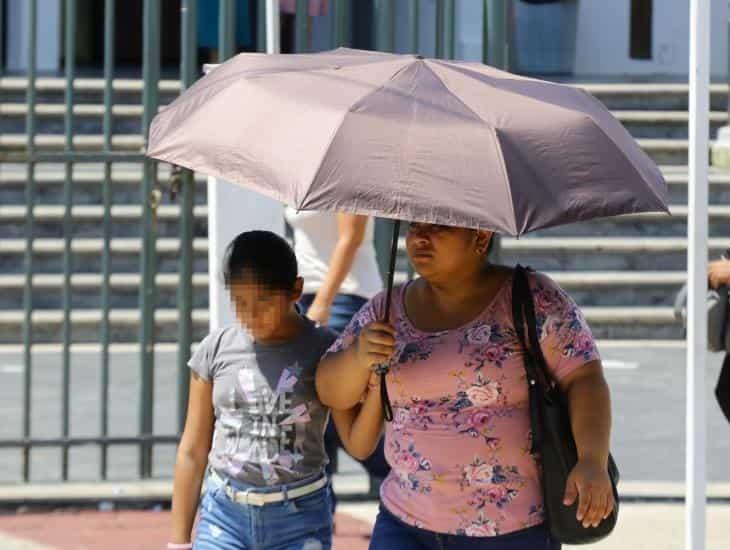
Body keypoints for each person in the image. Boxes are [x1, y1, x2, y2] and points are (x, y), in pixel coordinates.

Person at [316, 222, 615, 550]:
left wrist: (591, 459)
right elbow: (330, 390)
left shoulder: (532, 297)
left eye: (438, 227)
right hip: (405, 525)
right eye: (415, 226)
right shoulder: (386, 309)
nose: (420, 238)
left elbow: (584, 378)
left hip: (513, 532)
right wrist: (359, 355)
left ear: (481, 236)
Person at [169, 231, 336, 550]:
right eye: (239, 302)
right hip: (223, 517)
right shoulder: (215, 349)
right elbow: (192, 450)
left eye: (263, 302)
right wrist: (178, 542)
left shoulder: (324, 349)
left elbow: (357, 440)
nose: (250, 314)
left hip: (299, 520)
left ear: (295, 290)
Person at [285, 208, 390, 502]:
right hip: (306, 297)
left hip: (344, 296)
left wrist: (323, 302)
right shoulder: (302, 175)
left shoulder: (346, 174)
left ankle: (401, 474)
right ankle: (321, 506)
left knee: (332, 406)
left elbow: (351, 238)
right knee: (313, 408)